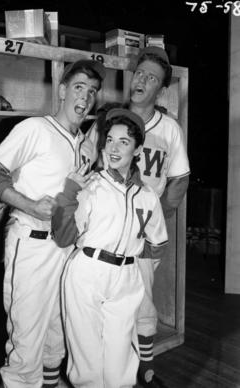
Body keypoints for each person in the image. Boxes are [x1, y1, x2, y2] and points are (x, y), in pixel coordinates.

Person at [0, 59, 106, 388]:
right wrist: (30, 204)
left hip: (65, 250)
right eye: (78, 87)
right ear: (62, 91)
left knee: (55, 341)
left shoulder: (82, 144)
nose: (85, 97)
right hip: (32, 245)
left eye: (92, 92)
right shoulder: (34, 128)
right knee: (26, 347)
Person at [51, 108, 168, 388]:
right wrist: (69, 192)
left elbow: (157, 243)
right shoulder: (91, 185)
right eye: (110, 140)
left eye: (124, 142)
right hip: (87, 273)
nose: (113, 148)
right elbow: (63, 236)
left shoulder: (148, 196)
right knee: (87, 362)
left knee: (120, 365)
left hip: (126, 278)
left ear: (138, 149)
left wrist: (137, 273)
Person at [129, 46, 190, 388]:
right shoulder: (111, 118)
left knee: (144, 302)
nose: (142, 80)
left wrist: (160, 214)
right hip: (108, 229)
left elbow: (180, 178)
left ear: (161, 89)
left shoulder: (169, 127)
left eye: (151, 77)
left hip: (146, 231)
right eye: (139, 73)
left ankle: (145, 372)